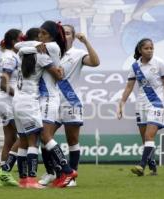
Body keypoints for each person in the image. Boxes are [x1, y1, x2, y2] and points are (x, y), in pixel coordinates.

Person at [11, 27, 64, 188]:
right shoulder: (41, 56)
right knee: (33, 142)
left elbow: (18, 47)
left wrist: (32, 45)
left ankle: (23, 179)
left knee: (23, 142)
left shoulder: (20, 56)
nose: (41, 39)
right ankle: (33, 180)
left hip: (16, 101)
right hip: (30, 102)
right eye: (39, 36)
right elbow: (59, 75)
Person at [117, 38, 164, 176]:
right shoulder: (135, 66)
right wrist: (121, 104)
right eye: (146, 48)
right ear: (140, 50)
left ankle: (141, 166)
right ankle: (152, 167)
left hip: (157, 103)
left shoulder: (160, 63)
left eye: (151, 48)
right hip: (141, 104)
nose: (150, 50)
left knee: (149, 136)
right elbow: (129, 86)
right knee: (145, 139)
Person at [53, 24, 100, 186]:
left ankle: (71, 176)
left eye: (67, 33)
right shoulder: (52, 52)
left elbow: (95, 62)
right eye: (62, 33)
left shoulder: (78, 53)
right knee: (45, 137)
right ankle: (56, 172)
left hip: (70, 100)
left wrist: (86, 42)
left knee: (72, 139)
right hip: (52, 102)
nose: (64, 36)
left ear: (73, 37)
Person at [0, 28, 23, 186]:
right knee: (24, 136)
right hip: (8, 101)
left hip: (6, 101)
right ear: (14, 41)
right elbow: (4, 84)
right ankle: (5, 171)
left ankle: (3, 176)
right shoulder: (10, 57)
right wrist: (20, 97)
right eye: (21, 38)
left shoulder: (11, 56)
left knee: (9, 140)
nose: (24, 40)